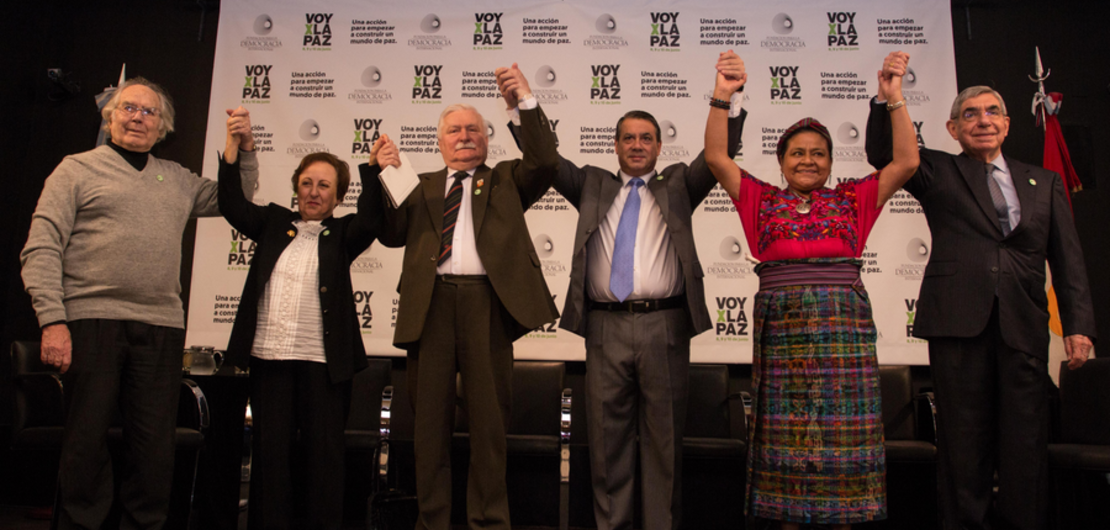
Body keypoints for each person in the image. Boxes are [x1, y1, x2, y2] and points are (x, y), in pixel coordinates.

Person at [497, 54, 746, 530]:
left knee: (664, 442)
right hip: (605, 328)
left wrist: (727, 98)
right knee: (607, 443)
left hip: (666, 326)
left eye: (646, 138)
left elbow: (718, 156)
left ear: (658, 146)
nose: (637, 145)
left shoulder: (678, 185)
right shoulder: (590, 182)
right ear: (614, 145)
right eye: (628, 138)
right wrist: (523, 105)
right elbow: (545, 159)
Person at [20, 77, 259, 529]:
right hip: (91, 322)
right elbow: (41, 247)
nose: (137, 117)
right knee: (86, 443)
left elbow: (236, 199)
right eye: (128, 108)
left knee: (154, 449)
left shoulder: (178, 180)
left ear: (162, 126)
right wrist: (53, 320)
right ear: (110, 117)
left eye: (148, 112)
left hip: (161, 328)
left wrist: (244, 147)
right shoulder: (75, 169)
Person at [865, 82, 1096, 530]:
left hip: (1023, 327)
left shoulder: (1043, 182)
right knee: (963, 446)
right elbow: (882, 152)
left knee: (1025, 446)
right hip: (958, 325)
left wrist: (1078, 324)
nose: (983, 120)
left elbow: (1068, 259)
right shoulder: (937, 170)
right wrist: (885, 98)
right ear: (953, 128)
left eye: (992, 112)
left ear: (1007, 125)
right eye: (970, 114)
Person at [704, 51, 920, 529]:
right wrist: (722, 96)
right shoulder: (761, 199)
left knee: (842, 439)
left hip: (843, 329)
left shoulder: (851, 199)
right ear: (781, 161)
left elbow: (906, 161)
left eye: (818, 153)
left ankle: (844, 521)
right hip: (782, 332)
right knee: (788, 441)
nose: (808, 160)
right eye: (797, 153)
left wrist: (893, 99)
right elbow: (717, 157)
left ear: (830, 162)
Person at [359, 84, 558, 530]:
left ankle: (488, 521)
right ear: (439, 140)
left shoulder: (507, 178)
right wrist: (378, 174)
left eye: (473, 129)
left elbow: (545, 160)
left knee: (489, 425)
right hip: (430, 306)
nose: (464, 136)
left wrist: (522, 101)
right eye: (454, 130)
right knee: (428, 427)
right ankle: (432, 521)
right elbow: (389, 234)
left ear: (487, 139)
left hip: (485, 303)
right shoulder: (419, 185)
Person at [219, 136, 384, 528]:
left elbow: (374, 220)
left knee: (323, 461)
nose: (313, 192)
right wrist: (233, 153)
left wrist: (373, 170)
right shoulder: (274, 223)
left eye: (324, 185)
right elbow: (231, 205)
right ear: (297, 187)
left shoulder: (344, 233)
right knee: (270, 458)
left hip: (323, 367)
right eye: (307, 182)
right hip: (269, 361)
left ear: (338, 195)